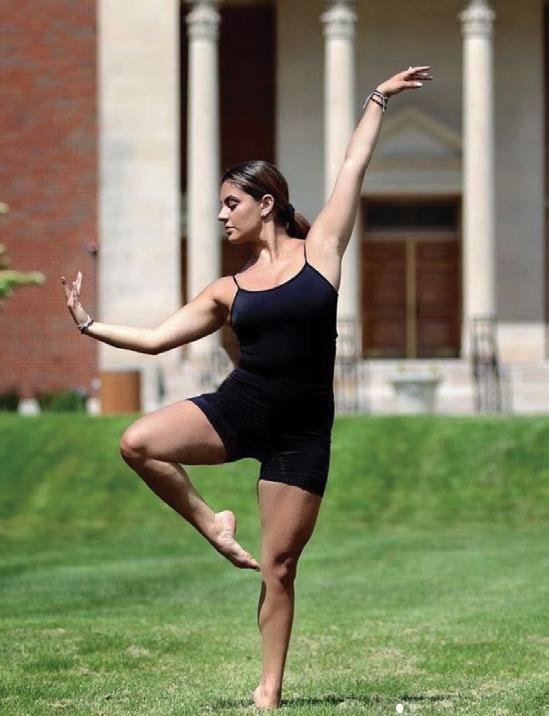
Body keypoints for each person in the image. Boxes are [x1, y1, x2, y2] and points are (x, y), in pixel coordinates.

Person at [62, 65, 432, 710]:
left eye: (230, 203)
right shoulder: (226, 290)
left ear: (266, 204)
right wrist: (90, 325)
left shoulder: (322, 252)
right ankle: (214, 524)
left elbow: (352, 165)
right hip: (241, 408)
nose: (220, 215)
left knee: (280, 567)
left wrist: (378, 97)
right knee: (138, 442)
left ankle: (269, 691)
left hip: (302, 432)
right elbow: (157, 339)